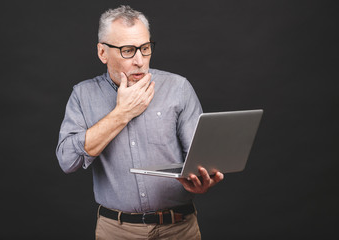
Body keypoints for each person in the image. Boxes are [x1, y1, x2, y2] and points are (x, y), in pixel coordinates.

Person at [56, 5, 224, 239]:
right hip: (116, 231)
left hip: (179, 229)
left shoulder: (178, 88)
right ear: (102, 52)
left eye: (145, 48)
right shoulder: (83, 96)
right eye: (127, 50)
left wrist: (202, 179)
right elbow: (67, 160)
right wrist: (121, 113)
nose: (139, 60)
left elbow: (200, 159)